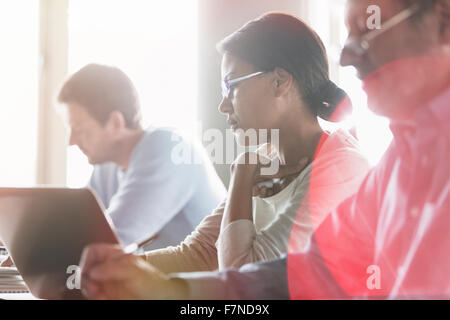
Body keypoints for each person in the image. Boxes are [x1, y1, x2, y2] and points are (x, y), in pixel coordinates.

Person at [78, 0, 450, 300]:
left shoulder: (346, 164)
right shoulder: (400, 161)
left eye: (369, 28)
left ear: (441, 18)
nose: (347, 57)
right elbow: (314, 271)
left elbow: (244, 269)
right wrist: (143, 281)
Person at [58, 64, 226, 250]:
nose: (71, 141)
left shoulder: (169, 148)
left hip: (209, 275)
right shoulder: (106, 169)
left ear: (115, 123)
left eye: (79, 129)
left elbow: (108, 241)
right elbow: (78, 230)